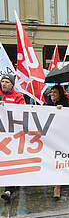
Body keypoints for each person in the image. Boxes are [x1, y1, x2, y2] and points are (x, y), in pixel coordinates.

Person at [0, 74, 26, 203]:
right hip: (1, 134)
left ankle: (8, 190)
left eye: (7, 82)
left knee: (10, 161)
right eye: (2, 81)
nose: (4, 84)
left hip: (13, 136)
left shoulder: (18, 96)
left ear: (12, 84)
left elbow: (23, 112)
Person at [45, 85, 69, 200]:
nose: (52, 94)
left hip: (62, 136)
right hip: (50, 136)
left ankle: (57, 186)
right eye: (51, 92)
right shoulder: (47, 104)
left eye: (55, 92)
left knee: (59, 159)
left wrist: (63, 110)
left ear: (60, 94)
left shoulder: (65, 104)